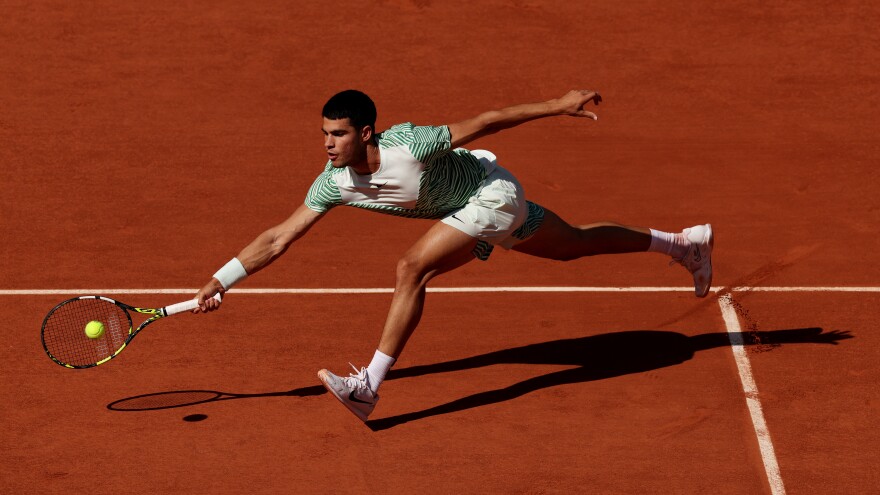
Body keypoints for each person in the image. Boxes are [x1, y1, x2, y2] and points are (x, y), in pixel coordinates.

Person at [194, 89, 714, 422]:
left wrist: (557, 105)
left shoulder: (410, 146)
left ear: (366, 132)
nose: (328, 144)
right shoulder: (333, 184)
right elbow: (279, 237)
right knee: (574, 245)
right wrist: (223, 278)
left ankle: (368, 388)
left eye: (338, 134)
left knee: (410, 268)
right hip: (476, 212)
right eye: (324, 134)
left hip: (491, 194)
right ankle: (684, 243)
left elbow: (486, 121)